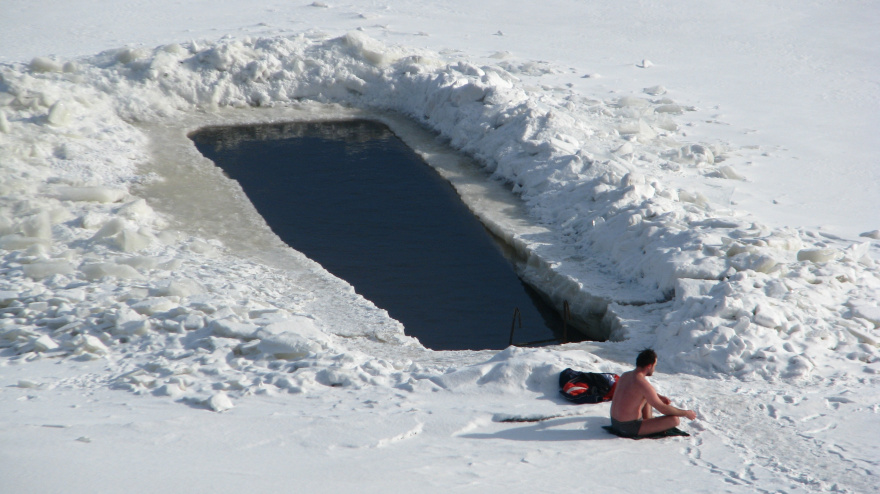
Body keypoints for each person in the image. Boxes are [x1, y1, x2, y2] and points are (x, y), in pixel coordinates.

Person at [608, 348, 696, 437]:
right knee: (674, 420)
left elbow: (635, 392)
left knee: (646, 397)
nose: (654, 369)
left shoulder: (625, 375)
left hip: (614, 423)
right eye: (655, 366)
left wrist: (659, 397)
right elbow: (663, 409)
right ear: (649, 366)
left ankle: (648, 421)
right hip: (628, 428)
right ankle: (648, 424)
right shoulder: (642, 384)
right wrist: (686, 413)